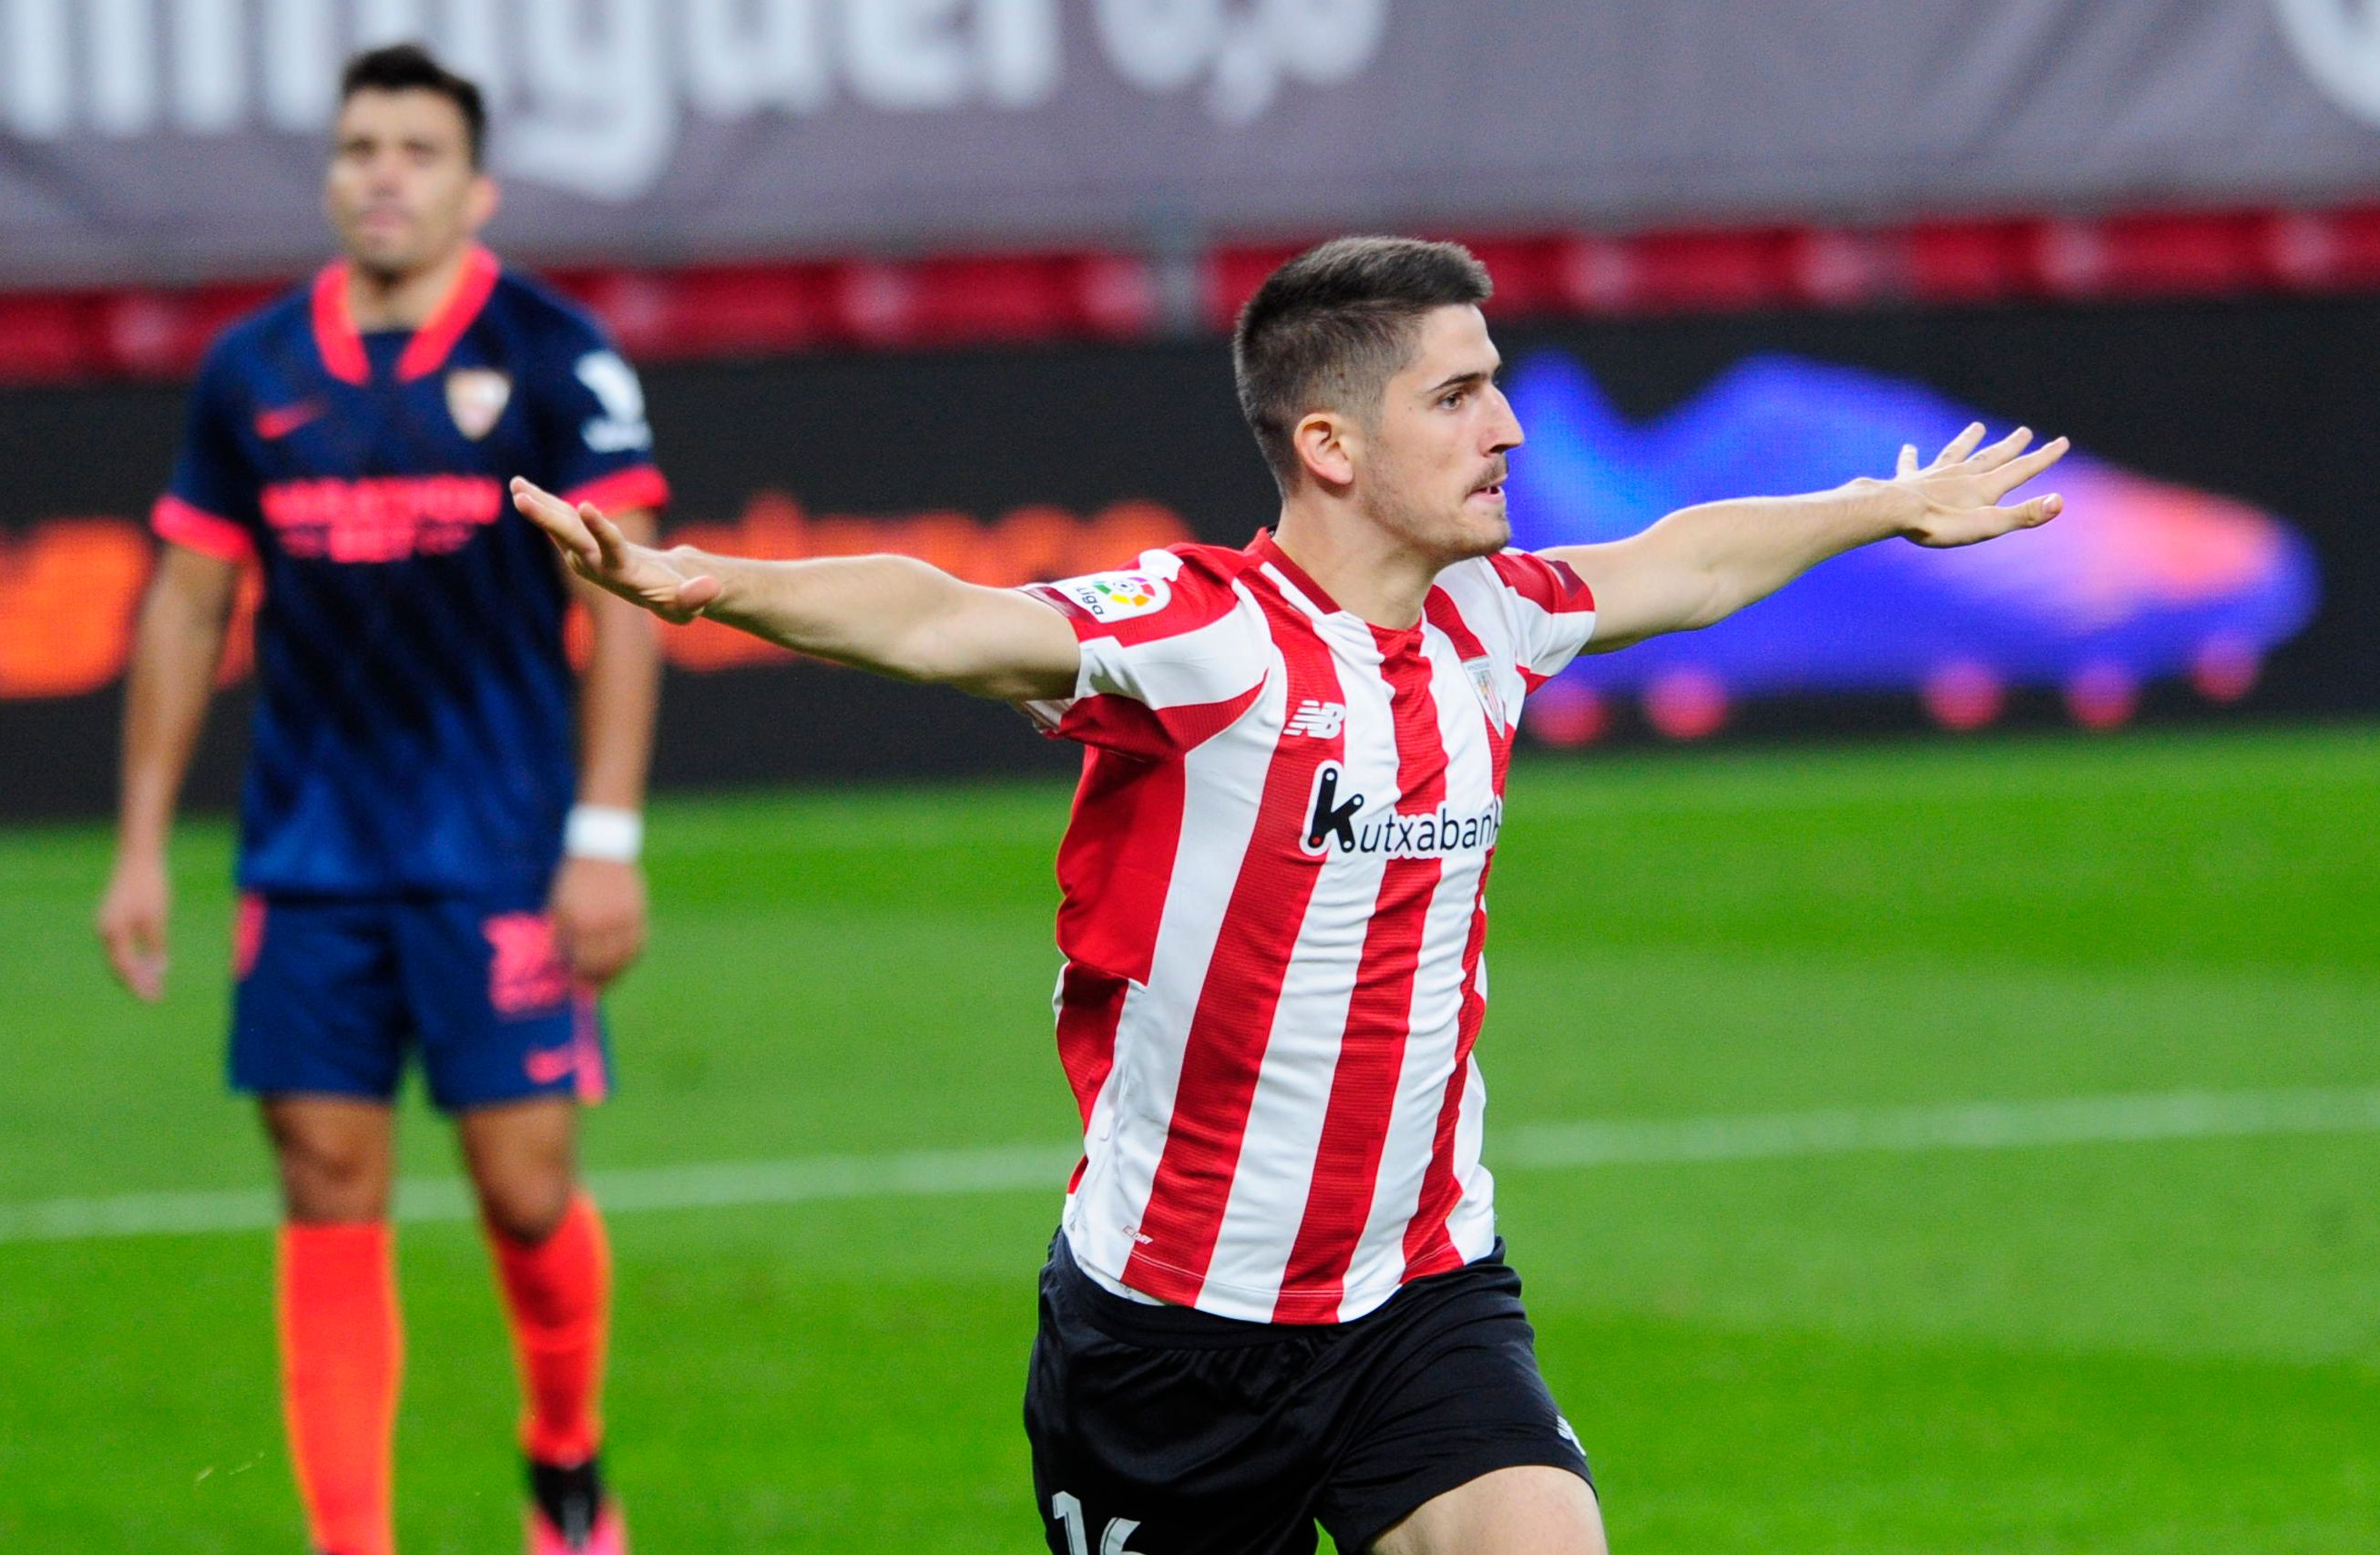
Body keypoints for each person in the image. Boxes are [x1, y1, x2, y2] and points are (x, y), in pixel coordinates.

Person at [507, 236, 2066, 1555]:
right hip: (1169, 1337)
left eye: (1496, 384)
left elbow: (1685, 559)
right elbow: (939, 618)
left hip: (1419, 1294)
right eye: (1455, 396)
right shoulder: (1205, 636)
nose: (1507, 429)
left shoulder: (1496, 618)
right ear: (1328, 444)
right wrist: (716, 582)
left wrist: (1877, 506)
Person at [94, 44, 666, 1555]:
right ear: (334, 175)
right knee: (326, 1177)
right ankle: (352, 1543)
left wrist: (603, 839)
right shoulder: (255, 369)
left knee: (525, 1189)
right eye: (360, 146)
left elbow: (626, 600)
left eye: (416, 147)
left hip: (500, 852)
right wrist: (142, 845)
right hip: (311, 852)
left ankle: (565, 1461)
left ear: (473, 185)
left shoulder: (556, 356)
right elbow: (184, 603)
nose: (383, 172)